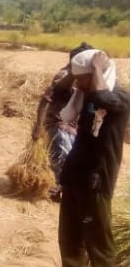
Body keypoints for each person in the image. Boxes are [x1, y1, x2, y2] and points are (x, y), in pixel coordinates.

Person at [57, 49, 129, 267]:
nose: (77, 84)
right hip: (75, 177)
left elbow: (103, 98)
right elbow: (63, 95)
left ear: (96, 75)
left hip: (96, 183)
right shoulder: (86, 98)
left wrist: (97, 68)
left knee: (99, 243)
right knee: (70, 237)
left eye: (82, 78)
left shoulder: (119, 99)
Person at [31, 42, 94, 200]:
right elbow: (46, 100)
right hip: (59, 126)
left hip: (73, 127)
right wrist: (38, 126)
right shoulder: (65, 76)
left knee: (70, 160)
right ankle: (61, 191)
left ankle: (62, 190)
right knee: (63, 160)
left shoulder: (85, 77)